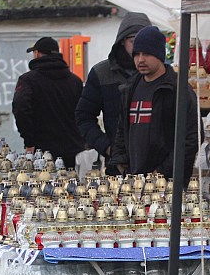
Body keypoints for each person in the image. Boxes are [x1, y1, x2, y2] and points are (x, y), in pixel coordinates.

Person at [108, 25, 199, 179]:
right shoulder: (130, 87)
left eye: (147, 54)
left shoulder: (177, 89)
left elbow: (190, 138)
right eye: (137, 54)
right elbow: (122, 129)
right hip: (134, 180)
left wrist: (163, 173)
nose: (140, 59)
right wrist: (121, 161)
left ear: (159, 55)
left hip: (168, 182)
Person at [75, 12, 151, 174]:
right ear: (122, 41)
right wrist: (107, 147)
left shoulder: (159, 74)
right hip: (118, 166)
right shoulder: (101, 73)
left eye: (145, 42)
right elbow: (84, 116)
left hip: (155, 166)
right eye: (134, 41)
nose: (139, 48)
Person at [12, 36, 86, 163]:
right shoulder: (75, 81)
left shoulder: (28, 80)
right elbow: (84, 113)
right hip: (74, 151)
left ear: (37, 53)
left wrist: (29, 141)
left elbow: (21, 109)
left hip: (42, 154)